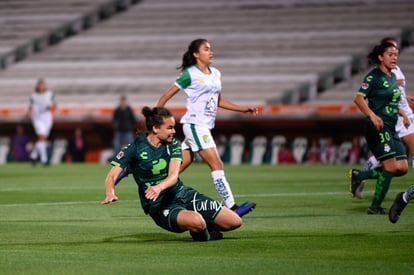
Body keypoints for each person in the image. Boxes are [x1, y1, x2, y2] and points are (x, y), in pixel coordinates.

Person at [102, 106, 242, 241]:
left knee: (235, 221)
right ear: (155, 128)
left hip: (182, 194)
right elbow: (111, 176)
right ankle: (205, 235)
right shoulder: (134, 148)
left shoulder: (173, 144)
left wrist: (159, 187)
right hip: (161, 206)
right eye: (169, 128)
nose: (173, 131)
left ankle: (201, 226)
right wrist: (110, 193)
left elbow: (173, 176)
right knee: (197, 221)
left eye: (173, 127)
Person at [154, 38, 258, 217]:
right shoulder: (190, 74)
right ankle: (232, 208)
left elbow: (219, 101)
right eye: (206, 49)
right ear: (196, 54)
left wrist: (243, 109)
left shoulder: (216, 73)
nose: (211, 52)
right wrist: (156, 120)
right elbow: (165, 97)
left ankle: (154, 190)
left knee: (177, 167)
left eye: (211, 49)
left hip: (204, 126)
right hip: (195, 124)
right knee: (217, 164)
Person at [349, 41, 409, 214]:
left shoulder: (392, 77)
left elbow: (390, 100)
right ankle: (375, 207)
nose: (394, 57)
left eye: (396, 54)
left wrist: (403, 114)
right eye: (390, 54)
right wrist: (372, 115)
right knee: (390, 167)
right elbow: (358, 99)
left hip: (391, 127)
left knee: (402, 168)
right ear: (380, 57)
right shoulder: (373, 76)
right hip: (377, 127)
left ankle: (359, 176)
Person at [27, 78, 56, 166]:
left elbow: (54, 106)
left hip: (47, 118)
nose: (41, 86)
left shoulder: (49, 94)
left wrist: (50, 108)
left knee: (42, 139)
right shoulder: (33, 96)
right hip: (37, 118)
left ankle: (33, 155)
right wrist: (30, 114)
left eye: (43, 84)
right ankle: (44, 159)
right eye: (40, 84)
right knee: (42, 137)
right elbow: (30, 107)